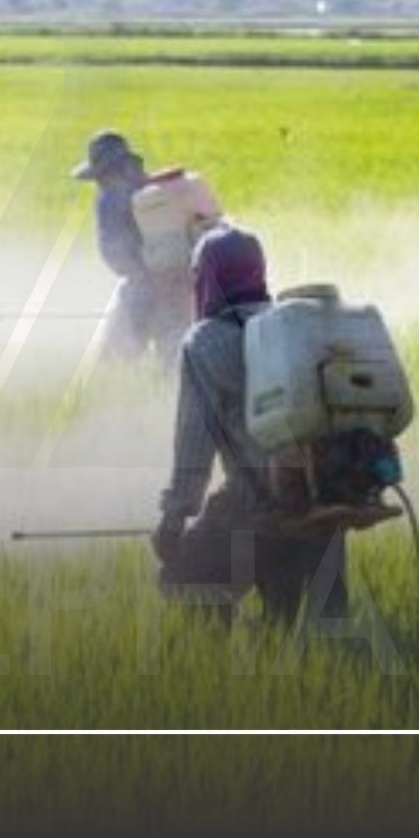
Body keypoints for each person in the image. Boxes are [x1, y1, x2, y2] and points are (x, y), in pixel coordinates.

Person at [152, 224, 348, 627]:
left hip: (255, 503)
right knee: (322, 633)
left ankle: (222, 665)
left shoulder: (204, 343)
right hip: (326, 498)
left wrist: (174, 519)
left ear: (207, 278)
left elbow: (194, 446)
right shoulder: (292, 326)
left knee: (180, 580)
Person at [71, 129, 191, 362]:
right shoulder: (150, 186)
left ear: (103, 172)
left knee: (113, 358)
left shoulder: (108, 200)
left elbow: (114, 254)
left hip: (143, 284)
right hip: (182, 278)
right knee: (173, 352)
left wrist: (143, 276)